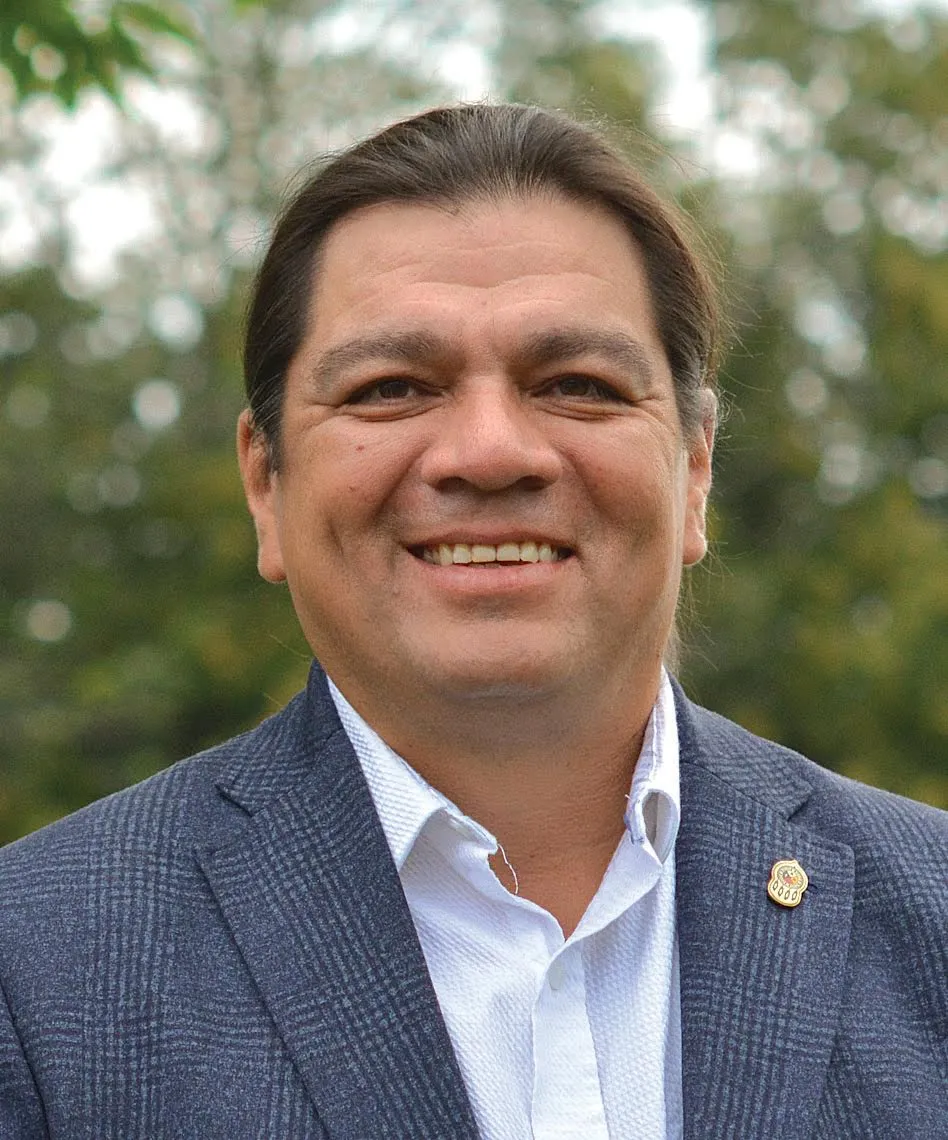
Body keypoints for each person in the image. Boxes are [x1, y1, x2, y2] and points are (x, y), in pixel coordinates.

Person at [0, 104, 945, 1140]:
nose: (490, 452)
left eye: (576, 385)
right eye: (392, 387)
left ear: (697, 472)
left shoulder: (930, 917)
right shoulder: (39, 971)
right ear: (266, 483)